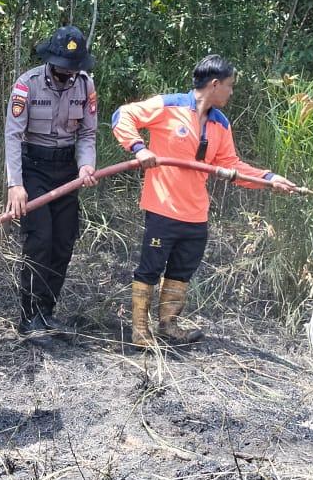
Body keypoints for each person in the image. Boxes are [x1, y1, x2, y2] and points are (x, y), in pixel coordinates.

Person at [110, 54, 298, 346]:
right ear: (214, 84)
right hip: (163, 207)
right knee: (150, 267)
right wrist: (138, 148)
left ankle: (168, 325)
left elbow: (232, 165)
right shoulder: (169, 105)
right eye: (230, 86)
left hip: (196, 213)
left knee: (182, 271)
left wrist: (269, 179)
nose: (231, 92)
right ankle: (139, 331)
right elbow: (123, 115)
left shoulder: (220, 124)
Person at [4, 25, 98, 338]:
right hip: (34, 170)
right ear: (50, 62)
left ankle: (46, 312)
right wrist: (15, 184)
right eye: (61, 71)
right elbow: (13, 135)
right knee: (39, 241)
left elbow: (86, 132)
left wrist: (86, 166)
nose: (67, 76)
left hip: (67, 170)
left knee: (62, 243)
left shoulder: (85, 85)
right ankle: (27, 317)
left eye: (73, 71)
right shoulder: (26, 84)